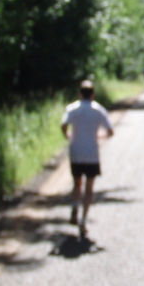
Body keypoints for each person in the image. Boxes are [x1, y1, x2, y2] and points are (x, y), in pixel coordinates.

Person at [61, 80, 114, 238]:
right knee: (89, 188)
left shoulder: (72, 108)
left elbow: (63, 125)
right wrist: (100, 136)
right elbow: (110, 131)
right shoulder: (99, 110)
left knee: (77, 182)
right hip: (91, 153)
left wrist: (68, 136)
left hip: (76, 151)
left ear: (80, 94)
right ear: (93, 94)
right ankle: (83, 220)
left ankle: (74, 205)